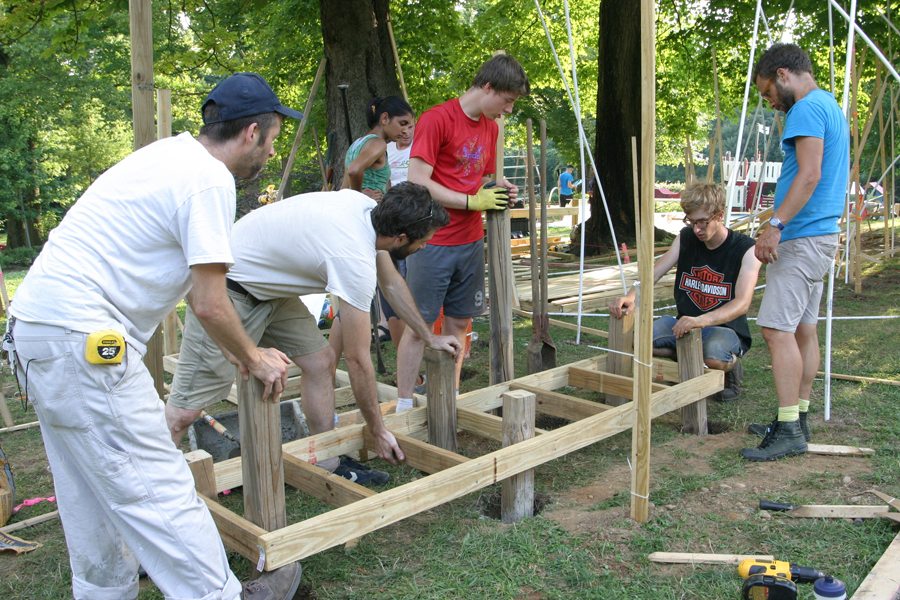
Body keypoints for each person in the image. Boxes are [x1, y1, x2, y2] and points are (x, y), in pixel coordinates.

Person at [6, 72, 304, 600]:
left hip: (38, 333)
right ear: (253, 132)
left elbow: (197, 294)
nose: (272, 150)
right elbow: (212, 303)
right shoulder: (210, 179)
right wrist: (254, 357)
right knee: (155, 487)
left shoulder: (167, 156)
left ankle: (104, 592)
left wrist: (242, 350)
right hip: (84, 341)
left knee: (90, 489)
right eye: (276, 137)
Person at [166, 183, 459, 484]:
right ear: (400, 237)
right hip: (228, 288)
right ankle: (158, 482)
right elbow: (358, 359)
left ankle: (326, 460)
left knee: (320, 361)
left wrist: (427, 336)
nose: (425, 246)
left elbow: (393, 284)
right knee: (185, 409)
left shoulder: (369, 213)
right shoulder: (353, 256)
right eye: (424, 240)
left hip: (270, 289)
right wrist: (378, 430)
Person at [395, 54, 530, 412]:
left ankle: (448, 398)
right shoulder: (437, 119)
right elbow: (418, 181)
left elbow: (480, 178)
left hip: (470, 242)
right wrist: (472, 201)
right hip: (432, 242)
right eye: (507, 101)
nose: (509, 111)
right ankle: (405, 403)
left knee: (459, 321)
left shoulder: (491, 127)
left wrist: (499, 187)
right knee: (418, 323)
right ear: (488, 87)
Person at [741, 43, 849, 462]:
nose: (770, 103)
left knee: (775, 329)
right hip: (819, 236)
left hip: (802, 238)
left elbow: (809, 175)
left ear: (783, 74)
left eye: (768, 92)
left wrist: (775, 227)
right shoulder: (828, 105)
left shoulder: (805, 109)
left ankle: (788, 429)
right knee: (803, 328)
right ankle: (797, 416)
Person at [609, 183, 761, 400]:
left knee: (714, 357)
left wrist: (702, 320)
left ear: (720, 215)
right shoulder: (686, 237)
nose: (697, 229)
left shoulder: (747, 249)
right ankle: (688, 360)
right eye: (691, 221)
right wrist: (631, 296)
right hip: (683, 323)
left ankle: (731, 368)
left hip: (724, 329)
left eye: (702, 222)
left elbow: (742, 304)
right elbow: (657, 270)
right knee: (640, 341)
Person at [341, 96, 415, 201]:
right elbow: (354, 170)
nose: (405, 131)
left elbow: (343, 188)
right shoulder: (379, 143)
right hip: (369, 211)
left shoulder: (357, 144)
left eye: (409, 126)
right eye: (402, 124)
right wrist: (359, 198)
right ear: (384, 118)